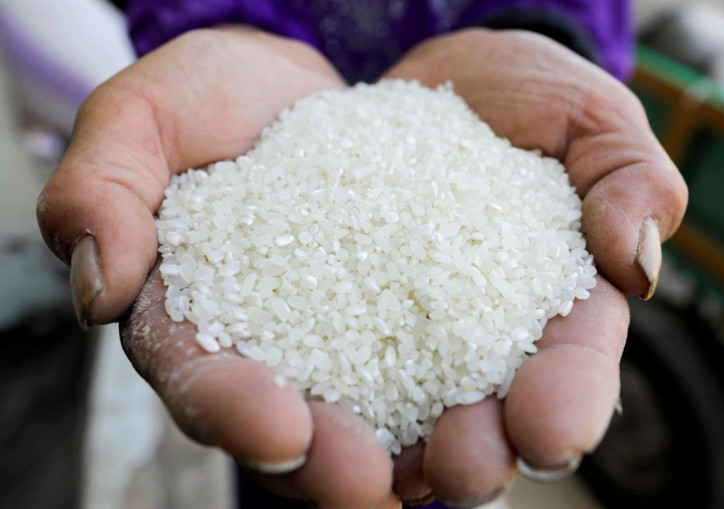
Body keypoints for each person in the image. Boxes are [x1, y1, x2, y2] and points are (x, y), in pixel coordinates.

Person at [36, 1, 688, 508]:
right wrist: (219, 29)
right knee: (287, 450)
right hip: (248, 114)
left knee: (463, 459)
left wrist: (543, 30)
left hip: (481, 97)